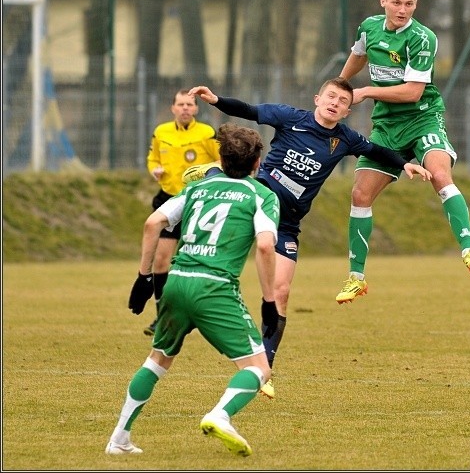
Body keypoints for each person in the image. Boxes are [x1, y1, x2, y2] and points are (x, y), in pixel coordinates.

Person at [187, 77, 431, 400]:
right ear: (318, 98)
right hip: (257, 202)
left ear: (346, 111)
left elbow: (375, 150)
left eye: (342, 102)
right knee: (216, 264)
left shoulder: (345, 139)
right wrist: (216, 100)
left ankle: (263, 370)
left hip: (287, 223)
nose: (335, 103)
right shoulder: (290, 118)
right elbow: (248, 110)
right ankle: (215, 173)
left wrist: (405, 164)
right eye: (330, 97)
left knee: (282, 292)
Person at [105, 123, 279, 457]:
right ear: (257, 163)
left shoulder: (200, 187)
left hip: (176, 281)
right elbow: (266, 247)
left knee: (158, 360)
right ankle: (220, 415)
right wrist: (269, 301)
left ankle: (119, 439)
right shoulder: (261, 195)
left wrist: (143, 278)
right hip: (214, 288)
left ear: (221, 158)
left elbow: (152, 222)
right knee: (259, 368)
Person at [334, 0, 470, 305]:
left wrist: (363, 92)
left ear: (416, 4)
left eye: (410, 3)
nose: (403, 10)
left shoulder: (423, 37)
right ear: (383, 1)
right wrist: (340, 85)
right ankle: (356, 279)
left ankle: (469, 250)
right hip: (386, 126)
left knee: (441, 175)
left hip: (421, 117)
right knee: (359, 194)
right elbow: (360, 54)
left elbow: (413, 92)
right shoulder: (369, 27)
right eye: (397, 2)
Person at [143, 89, 221, 336]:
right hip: (168, 200)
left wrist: (207, 177)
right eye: (181, 104)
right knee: (161, 260)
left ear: (196, 109)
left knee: (197, 259)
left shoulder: (207, 133)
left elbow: (222, 161)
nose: (185, 108)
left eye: (190, 104)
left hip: (199, 202)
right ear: (173, 108)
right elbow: (153, 158)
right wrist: (154, 169)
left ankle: (201, 313)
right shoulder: (161, 132)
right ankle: (162, 316)